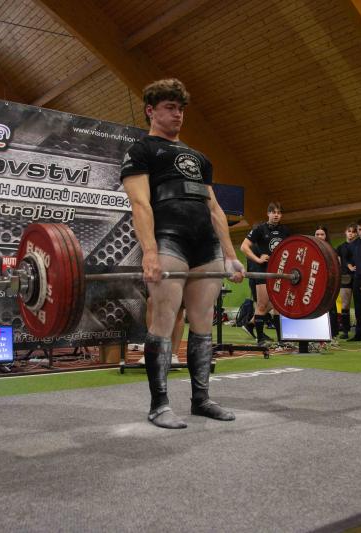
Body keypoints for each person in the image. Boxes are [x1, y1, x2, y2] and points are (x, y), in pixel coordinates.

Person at [121, 78, 244, 429]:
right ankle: (159, 405)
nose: (178, 114)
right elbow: (140, 204)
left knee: (202, 322)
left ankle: (201, 400)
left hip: (205, 244)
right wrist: (149, 252)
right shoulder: (141, 151)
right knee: (163, 319)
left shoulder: (200, 158)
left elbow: (215, 209)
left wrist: (231, 254)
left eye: (181, 109)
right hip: (169, 240)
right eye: (170, 108)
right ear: (151, 111)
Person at [240, 202, 291, 346]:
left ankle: (282, 340)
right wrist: (257, 259)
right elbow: (244, 247)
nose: (276, 215)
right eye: (273, 212)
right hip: (262, 271)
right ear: (268, 213)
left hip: (279, 272)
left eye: (279, 213)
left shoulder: (285, 231)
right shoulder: (260, 229)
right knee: (262, 306)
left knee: (278, 306)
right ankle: (260, 339)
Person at [314, 225, 338, 337]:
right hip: (314, 284)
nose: (319, 236)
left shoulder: (332, 251)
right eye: (317, 234)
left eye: (322, 234)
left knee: (330, 307)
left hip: (329, 285)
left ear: (326, 236)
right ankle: (317, 333)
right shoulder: (311, 249)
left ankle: (332, 334)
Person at [335, 224, 358, 339]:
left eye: (353, 232)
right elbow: (338, 263)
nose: (351, 234)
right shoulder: (340, 247)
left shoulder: (360, 245)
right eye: (349, 231)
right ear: (345, 232)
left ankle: (360, 331)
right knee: (345, 305)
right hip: (345, 277)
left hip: (358, 277)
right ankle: (345, 331)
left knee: (360, 305)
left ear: (356, 234)